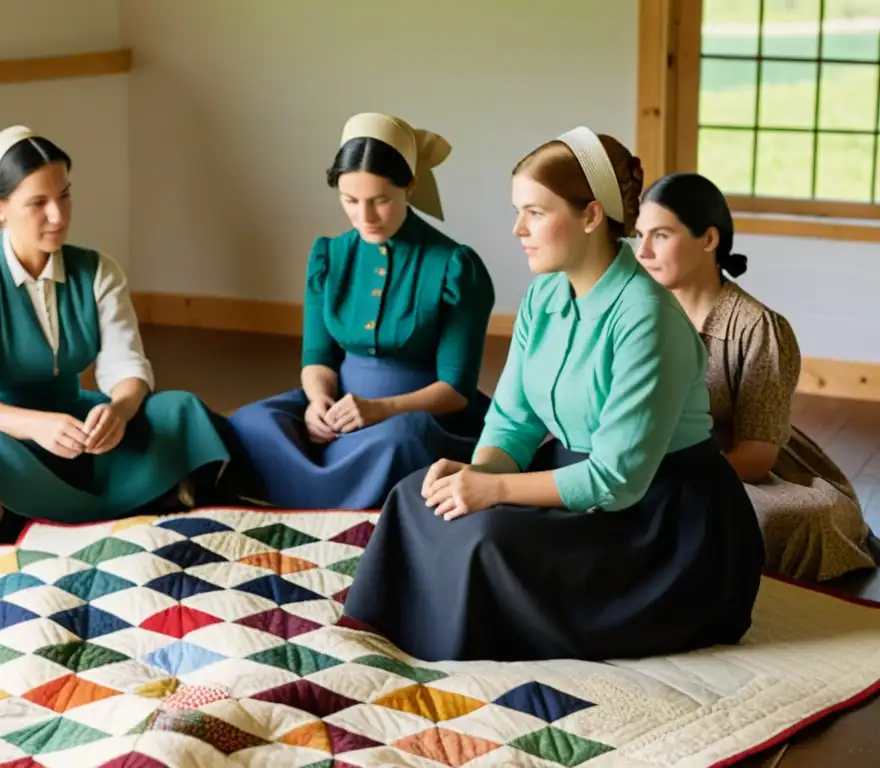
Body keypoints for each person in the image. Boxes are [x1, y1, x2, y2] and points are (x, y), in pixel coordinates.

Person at [342, 127, 765, 663]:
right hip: (573, 482)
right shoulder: (544, 296)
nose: (518, 228)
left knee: (488, 538)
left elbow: (615, 481)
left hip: (663, 524)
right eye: (518, 211)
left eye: (535, 213)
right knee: (415, 497)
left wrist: (494, 493)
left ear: (591, 215)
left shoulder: (647, 319)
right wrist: (482, 473)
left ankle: (451, 646)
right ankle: (385, 637)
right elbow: (511, 420)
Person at [0, 126, 232, 545]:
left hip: (78, 426)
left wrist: (118, 410)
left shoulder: (99, 270)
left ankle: (26, 511)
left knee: (179, 409)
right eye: (38, 203)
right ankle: (146, 495)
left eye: (64, 195)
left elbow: (127, 366)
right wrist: (38, 427)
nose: (58, 216)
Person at [225, 112, 495, 509]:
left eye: (380, 201)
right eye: (350, 201)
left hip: (419, 416)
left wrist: (380, 408)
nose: (364, 217)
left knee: (399, 442)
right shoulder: (329, 256)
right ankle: (333, 488)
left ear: (410, 187)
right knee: (250, 422)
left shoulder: (455, 267)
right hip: (340, 409)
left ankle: (311, 491)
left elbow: (457, 390)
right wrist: (319, 401)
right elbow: (317, 359)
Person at [635, 172, 875, 581]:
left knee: (794, 519)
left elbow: (756, 456)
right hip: (648, 460)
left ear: (708, 240)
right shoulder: (637, 310)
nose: (642, 251)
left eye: (660, 235)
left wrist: (670, 480)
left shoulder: (758, 327)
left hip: (739, 468)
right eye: (638, 235)